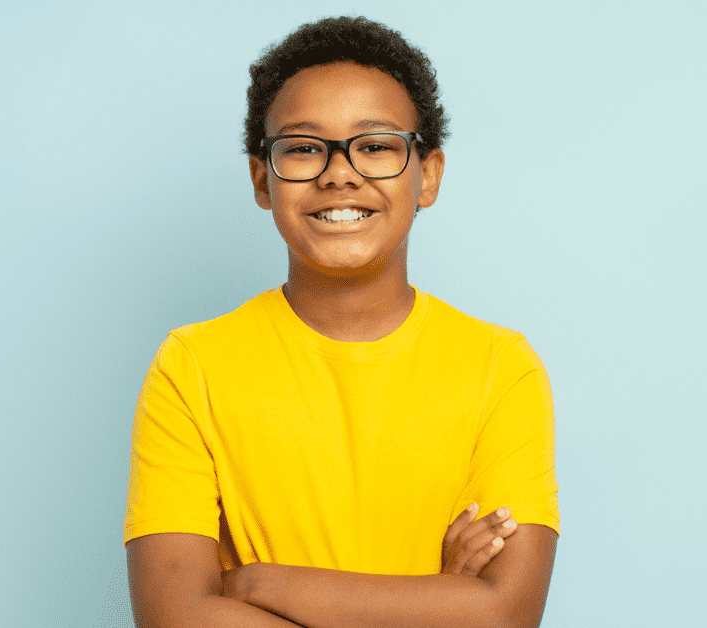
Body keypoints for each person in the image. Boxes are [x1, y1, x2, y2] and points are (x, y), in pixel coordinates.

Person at [123, 15, 559, 628]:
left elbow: (504, 616)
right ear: (261, 178)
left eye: (375, 146)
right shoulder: (193, 365)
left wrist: (253, 584)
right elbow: (176, 618)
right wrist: (433, 603)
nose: (339, 172)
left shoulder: (500, 367)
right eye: (302, 148)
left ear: (427, 174)